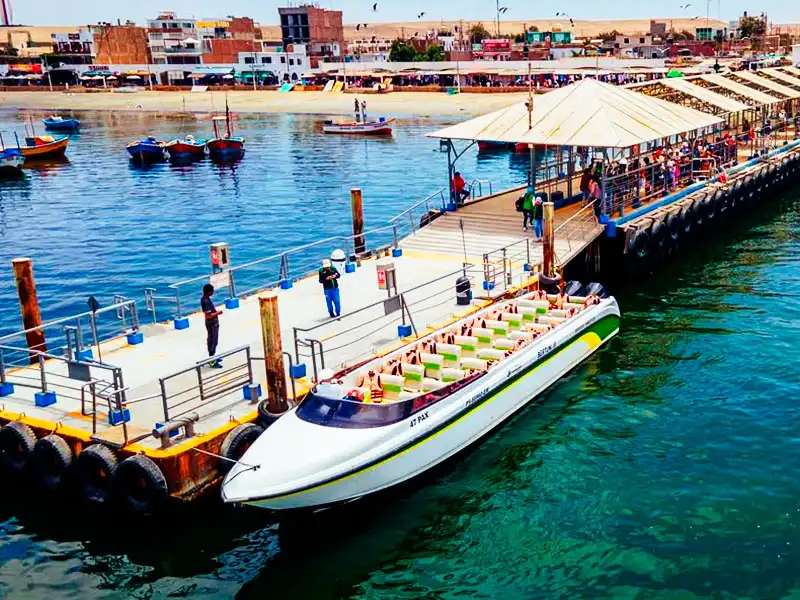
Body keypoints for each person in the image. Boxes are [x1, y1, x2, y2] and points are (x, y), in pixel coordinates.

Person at [201, 284, 223, 368]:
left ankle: (213, 356)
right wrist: (218, 313)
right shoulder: (205, 301)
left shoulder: (207, 299)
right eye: (212, 291)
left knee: (215, 340)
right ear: (208, 292)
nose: (213, 292)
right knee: (212, 341)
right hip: (211, 324)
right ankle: (212, 361)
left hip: (214, 323)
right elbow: (208, 316)